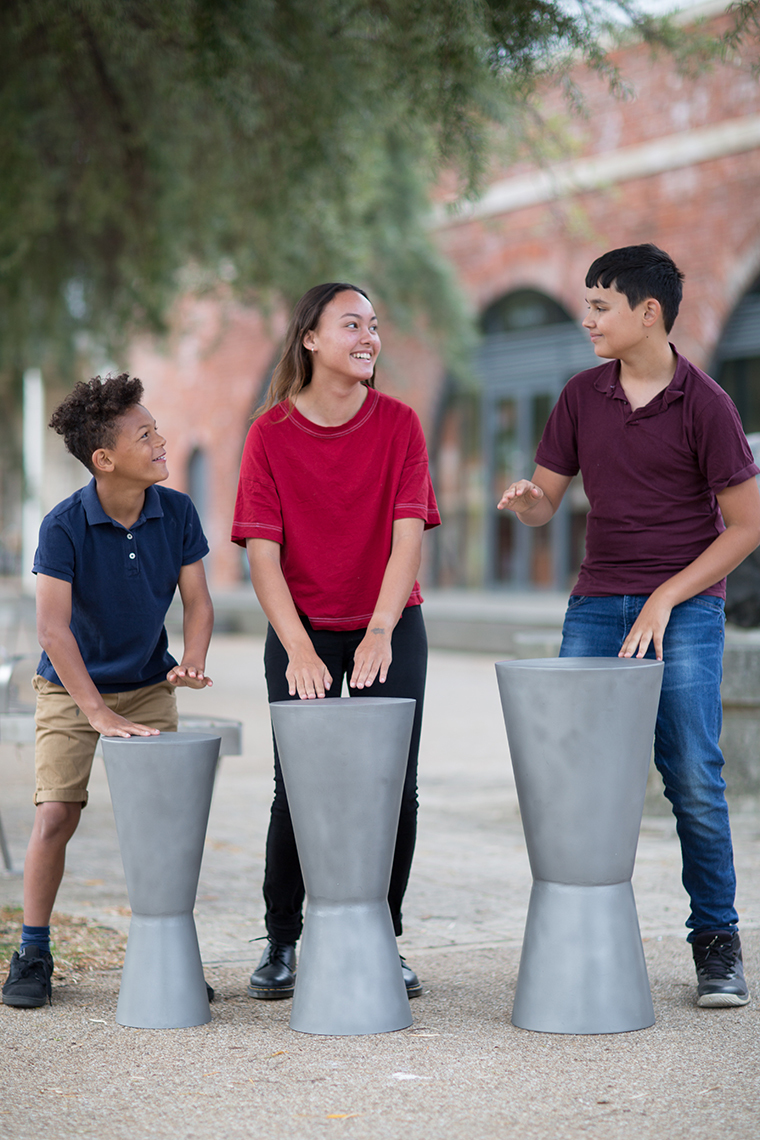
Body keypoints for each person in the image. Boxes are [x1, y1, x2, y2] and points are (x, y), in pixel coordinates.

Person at [499, 244, 760, 1008]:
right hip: (595, 604)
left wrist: (665, 599)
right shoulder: (582, 396)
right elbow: (550, 498)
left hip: (684, 610)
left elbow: (744, 529)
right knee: (573, 777)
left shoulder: (706, 402)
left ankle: (717, 945)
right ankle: (578, 935)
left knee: (692, 776)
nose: (587, 320)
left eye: (600, 306)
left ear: (649, 312)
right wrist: (529, 502)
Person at [232, 282, 440, 1000]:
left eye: (375, 326)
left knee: (394, 791)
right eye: (352, 324)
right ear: (311, 340)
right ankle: (282, 940)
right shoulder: (270, 435)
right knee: (300, 790)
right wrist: (297, 647)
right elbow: (262, 556)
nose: (368, 337)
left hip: (388, 619)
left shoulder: (401, 425)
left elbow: (407, 535)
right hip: (302, 626)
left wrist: (380, 628)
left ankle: (381, 933)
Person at [1, 374, 214, 1009]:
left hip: (149, 685)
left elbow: (198, 602)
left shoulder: (175, 511)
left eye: (156, 429)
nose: (160, 440)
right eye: (144, 434)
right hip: (70, 689)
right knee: (56, 814)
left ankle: (167, 947)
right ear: (105, 458)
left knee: (161, 825)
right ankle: (33, 950)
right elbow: (52, 629)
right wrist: (96, 712)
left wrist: (193, 660)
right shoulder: (63, 525)